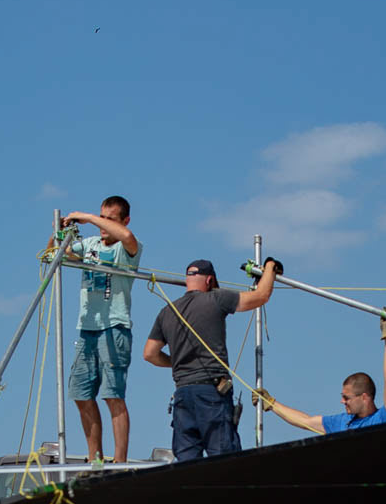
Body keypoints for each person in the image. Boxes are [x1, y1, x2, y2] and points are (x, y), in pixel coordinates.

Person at [143, 257, 280, 461]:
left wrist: (177, 361)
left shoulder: (167, 311)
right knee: (224, 462)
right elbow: (261, 296)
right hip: (211, 395)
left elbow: (149, 354)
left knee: (188, 466)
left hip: (182, 396)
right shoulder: (216, 298)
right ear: (209, 281)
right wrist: (270, 267)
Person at [58, 197, 142, 464]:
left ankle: (120, 461)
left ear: (125, 220)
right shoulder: (90, 245)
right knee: (80, 393)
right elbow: (54, 254)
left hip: (114, 326)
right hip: (87, 328)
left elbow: (127, 237)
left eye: (110, 220)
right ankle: (95, 459)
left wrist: (89, 217)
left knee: (112, 395)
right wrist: (60, 232)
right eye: (101, 217)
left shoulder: (128, 247)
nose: (103, 225)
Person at [256, 313, 386, 435]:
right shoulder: (342, 422)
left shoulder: (385, 417)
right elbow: (306, 422)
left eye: (346, 398)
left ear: (364, 397)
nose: (342, 401)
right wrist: (271, 404)